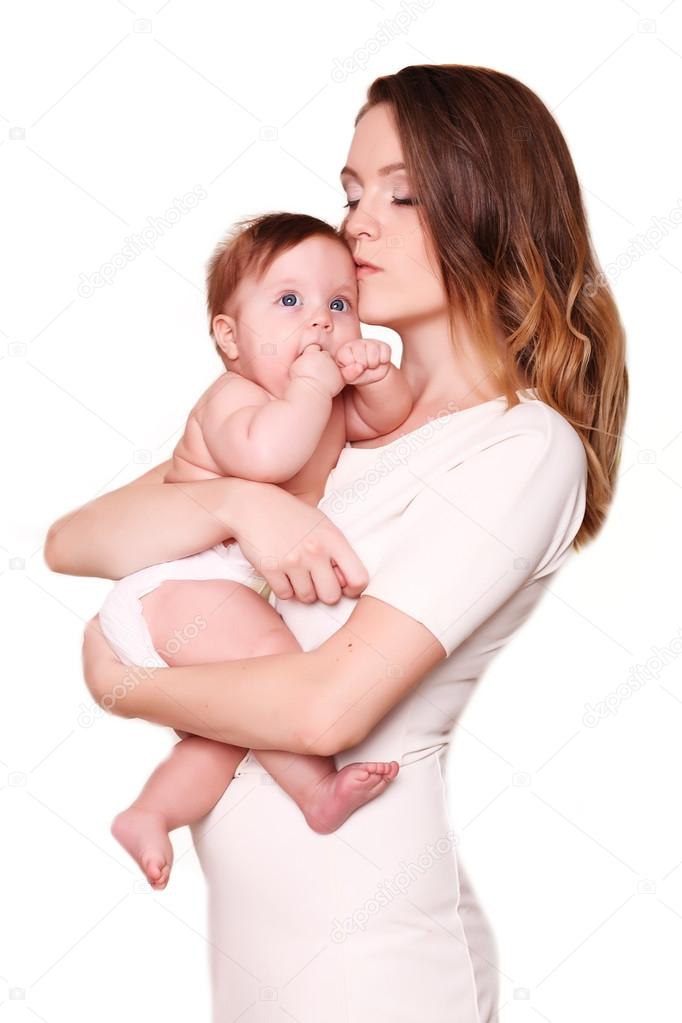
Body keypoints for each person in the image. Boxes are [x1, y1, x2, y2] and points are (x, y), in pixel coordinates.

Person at [45, 64, 628, 1022]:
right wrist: (243, 506)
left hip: (372, 969)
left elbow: (326, 714)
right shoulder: (314, 416)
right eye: (353, 192)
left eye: (401, 193)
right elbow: (75, 541)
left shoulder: (520, 447)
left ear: (489, 204)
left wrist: (124, 686)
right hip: (264, 956)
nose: (357, 223)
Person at [98, 211, 414, 891]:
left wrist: (377, 374)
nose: (322, 323)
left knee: (226, 732)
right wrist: (315, 386)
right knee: (271, 665)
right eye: (291, 301)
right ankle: (315, 793)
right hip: (175, 585)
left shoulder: (325, 401)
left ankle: (150, 812)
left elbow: (384, 418)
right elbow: (269, 455)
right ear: (230, 336)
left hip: (213, 600)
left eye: (340, 304)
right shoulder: (232, 398)